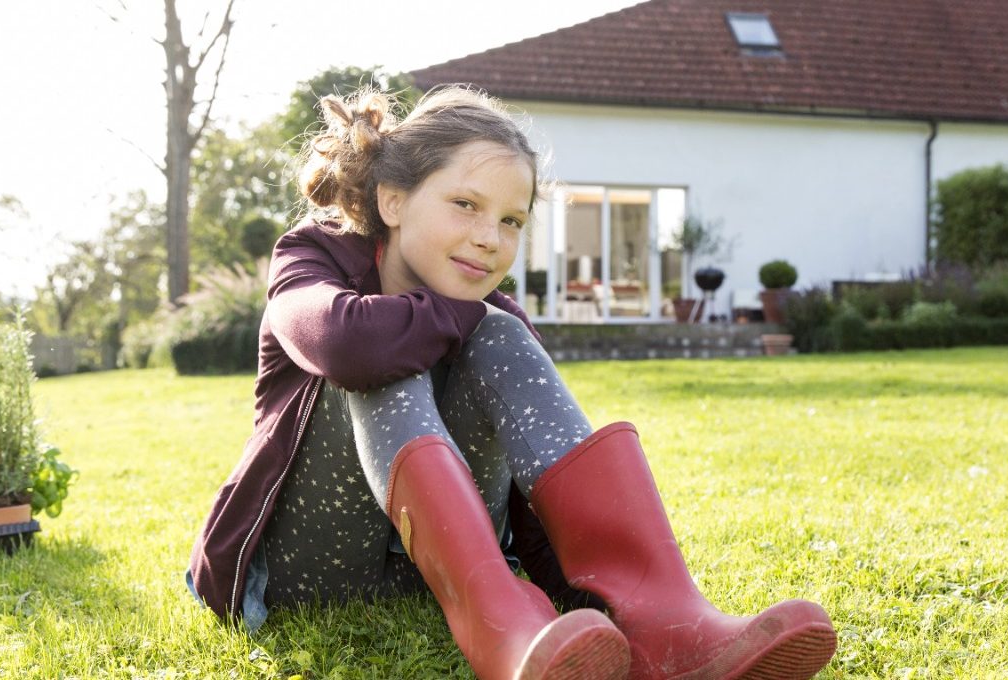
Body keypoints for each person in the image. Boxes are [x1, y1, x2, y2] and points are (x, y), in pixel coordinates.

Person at [187, 85, 837, 680]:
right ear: (393, 200)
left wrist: (593, 606)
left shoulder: (496, 322)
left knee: (498, 335)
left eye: (512, 222)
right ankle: (500, 632)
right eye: (465, 205)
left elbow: (534, 485)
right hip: (311, 568)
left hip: (442, 575)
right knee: (390, 352)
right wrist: (477, 312)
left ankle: (669, 617)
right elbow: (349, 344)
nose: (489, 239)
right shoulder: (313, 255)